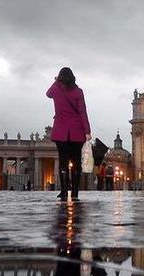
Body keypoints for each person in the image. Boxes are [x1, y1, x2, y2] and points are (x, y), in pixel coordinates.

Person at [47, 67, 91, 201]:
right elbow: (83, 112)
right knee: (77, 162)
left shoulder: (56, 90)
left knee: (63, 161)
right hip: (77, 130)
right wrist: (87, 131)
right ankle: (76, 192)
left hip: (61, 130)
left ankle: (64, 191)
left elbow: (48, 93)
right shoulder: (78, 92)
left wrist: (56, 81)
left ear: (60, 77)